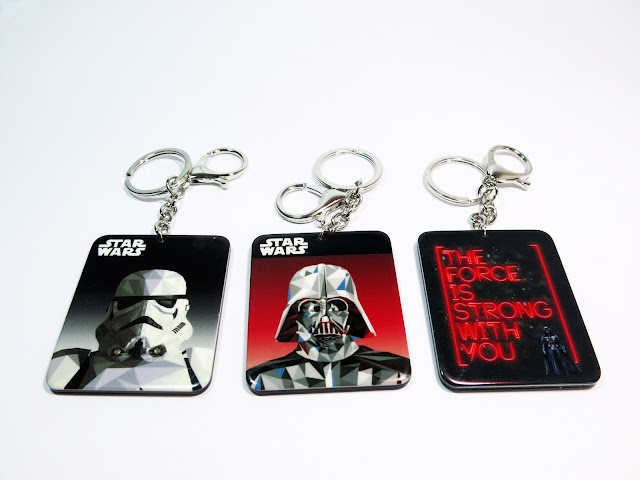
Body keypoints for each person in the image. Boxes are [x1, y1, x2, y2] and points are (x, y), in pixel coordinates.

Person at [247, 263, 410, 392]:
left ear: (351, 312)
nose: (325, 318)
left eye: (336, 306)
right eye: (312, 307)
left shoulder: (393, 368)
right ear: (295, 315)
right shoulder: (265, 376)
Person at [47, 269, 213, 392]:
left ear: (182, 308)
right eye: (130, 302)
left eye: (164, 302)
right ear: (112, 309)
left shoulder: (199, 363)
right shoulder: (71, 364)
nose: (145, 311)